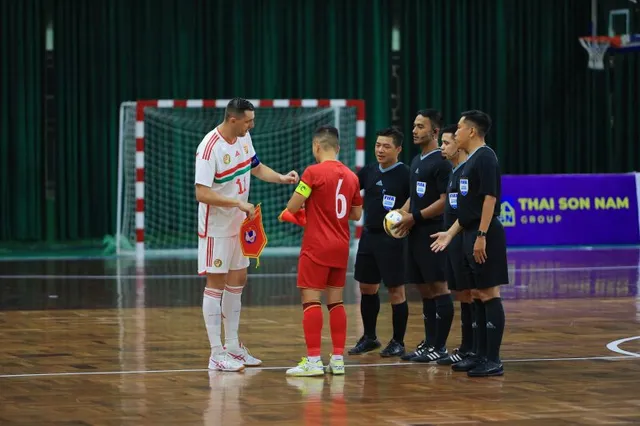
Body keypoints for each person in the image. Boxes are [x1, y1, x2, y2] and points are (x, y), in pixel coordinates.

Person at [194, 98, 299, 372]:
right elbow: (201, 193)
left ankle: (233, 347)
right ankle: (216, 353)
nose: (252, 125)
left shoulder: (245, 138)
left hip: (240, 224)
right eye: (248, 121)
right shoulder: (209, 149)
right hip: (217, 228)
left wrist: (281, 178)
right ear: (233, 119)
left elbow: (256, 166)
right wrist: (237, 203)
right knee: (215, 284)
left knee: (238, 279)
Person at [431, 110, 509, 377]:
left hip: (483, 233)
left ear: (472, 132)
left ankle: (493, 359)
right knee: (476, 294)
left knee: (489, 294)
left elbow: (489, 199)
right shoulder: (471, 162)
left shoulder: (486, 157)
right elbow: (466, 211)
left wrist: (482, 235)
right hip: (468, 231)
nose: (458, 132)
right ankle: (478, 353)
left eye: (461, 128)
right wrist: (450, 234)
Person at [281, 125, 363, 377]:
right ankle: (337, 359)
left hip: (316, 246)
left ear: (316, 146)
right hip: (341, 246)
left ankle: (314, 360)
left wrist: (301, 214)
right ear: (337, 148)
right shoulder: (352, 176)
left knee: (311, 301)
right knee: (336, 301)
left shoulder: (312, 173)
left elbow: (293, 206)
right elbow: (356, 214)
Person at [394, 109, 454, 363]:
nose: (415, 131)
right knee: (424, 289)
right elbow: (414, 196)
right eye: (414, 125)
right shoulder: (417, 161)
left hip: (433, 233)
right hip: (415, 233)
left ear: (435, 132)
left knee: (439, 288)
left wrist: (414, 217)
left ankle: (439, 346)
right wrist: (402, 212)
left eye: (421, 126)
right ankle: (429, 342)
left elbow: (443, 202)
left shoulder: (441, 161)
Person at [348, 127, 411, 358]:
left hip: (392, 240)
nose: (380, 150)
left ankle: (398, 341)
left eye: (386, 146)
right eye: (377, 145)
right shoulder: (370, 170)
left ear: (398, 149)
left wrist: (403, 215)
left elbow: (417, 197)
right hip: (369, 236)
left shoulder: (405, 174)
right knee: (366, 287)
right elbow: (351, 187)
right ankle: (370, 337)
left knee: (396, 290)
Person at [436, 124, 474, 366]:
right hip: (452, 242)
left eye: (447, 142)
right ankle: (466, 346)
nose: (442, 147)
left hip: (464, 240)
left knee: (470, 294)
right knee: (461, 294)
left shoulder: (466, 173)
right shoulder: (452, 172)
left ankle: (472, 348)